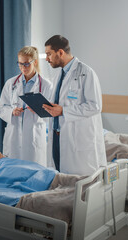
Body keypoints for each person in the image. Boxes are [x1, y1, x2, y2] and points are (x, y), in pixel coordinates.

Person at [42, 35, 107, 176]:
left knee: (78, 183)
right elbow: (61, 101)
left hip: (77, 140)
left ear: (60, 52)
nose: (47, 59)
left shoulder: (86, 73)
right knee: (59, 177)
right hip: (58, 136)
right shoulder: (59, 75)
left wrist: (63, 111)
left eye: (49, 54)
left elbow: (95, 106)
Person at [0, 46, 53, 166]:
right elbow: (0, 108)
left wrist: (38, 109)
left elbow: (51, 114)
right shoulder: (11, 83)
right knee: (13, 172)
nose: (23, 68)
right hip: (14, 137)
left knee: (34, 172)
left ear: (35, 62)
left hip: (34, 137)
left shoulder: (47, 85)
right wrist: (12, 112)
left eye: (26, 64)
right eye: (20, 64)